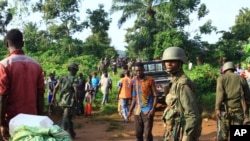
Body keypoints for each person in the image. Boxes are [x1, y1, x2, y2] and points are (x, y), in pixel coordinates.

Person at [0, 29, 45, 141]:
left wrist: (1, 123)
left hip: (13, 120)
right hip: (33, 120)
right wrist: (40, 119)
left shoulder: (4, 65)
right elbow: (40, 95)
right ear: (23, 44)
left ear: (7, 44)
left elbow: (2, 97)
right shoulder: (36, 65)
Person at [161, 46, 202, 141]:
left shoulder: (182, 84)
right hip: (174, 131)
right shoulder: (175, 81)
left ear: (180, 63)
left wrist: (186, 137)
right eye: (167, 61)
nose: (169, 64)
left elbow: (192, 115)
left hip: (182, 133)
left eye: (173, 61)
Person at [215, 61, 250, 141]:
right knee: (239, 135)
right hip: (239, 110)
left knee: (223, 135)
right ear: (234, 69)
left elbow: (219, 95)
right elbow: (247, 97)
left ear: (224, 69)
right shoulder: (241, 79)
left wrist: (217, 108)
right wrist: (246, 111)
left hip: (225, 111)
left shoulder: (221, 78)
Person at [127, 62, 158, 141]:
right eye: (136, 71)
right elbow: (134, 98)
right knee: (138, 134)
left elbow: (155, 95)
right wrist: (130, 111)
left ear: (143, 70)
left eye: (139, 70)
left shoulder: (150, 80)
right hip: (137, 111)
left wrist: (153, 109)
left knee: (147, 135)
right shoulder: (134, 81)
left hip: (147, 111)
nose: (138, 72)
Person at [51, 62, 79, 138]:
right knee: (65, 117)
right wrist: (77, 101)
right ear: (75, 70)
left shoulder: (62, 77)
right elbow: (76, 91)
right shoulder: (74, 79)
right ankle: (62, 133)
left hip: (61, 101)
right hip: (69, 101)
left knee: (68, 117)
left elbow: (56, 87)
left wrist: (53, 97)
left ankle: (72, 133)